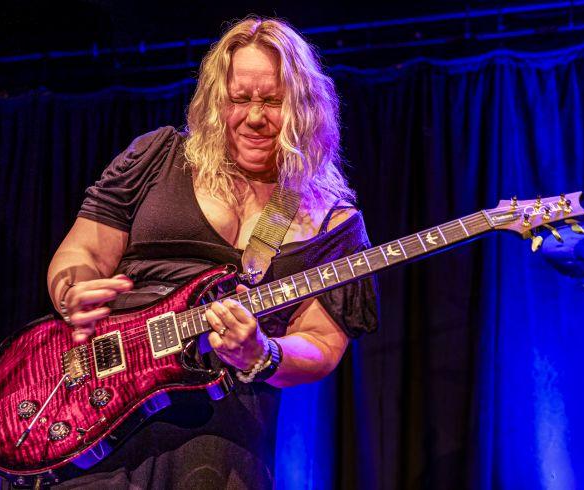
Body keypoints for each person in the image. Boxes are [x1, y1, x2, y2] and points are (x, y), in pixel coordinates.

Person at [46, 16, 379, 489]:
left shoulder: (330, 221)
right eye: (239, 99)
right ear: (216, 100)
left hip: (221, 433)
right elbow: (82, 252)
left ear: (305, 107)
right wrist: (72, 292)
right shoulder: (158, 158)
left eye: (273, 101)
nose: (255, 117)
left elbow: (322, 344)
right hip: (101, 403)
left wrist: (263, 352)